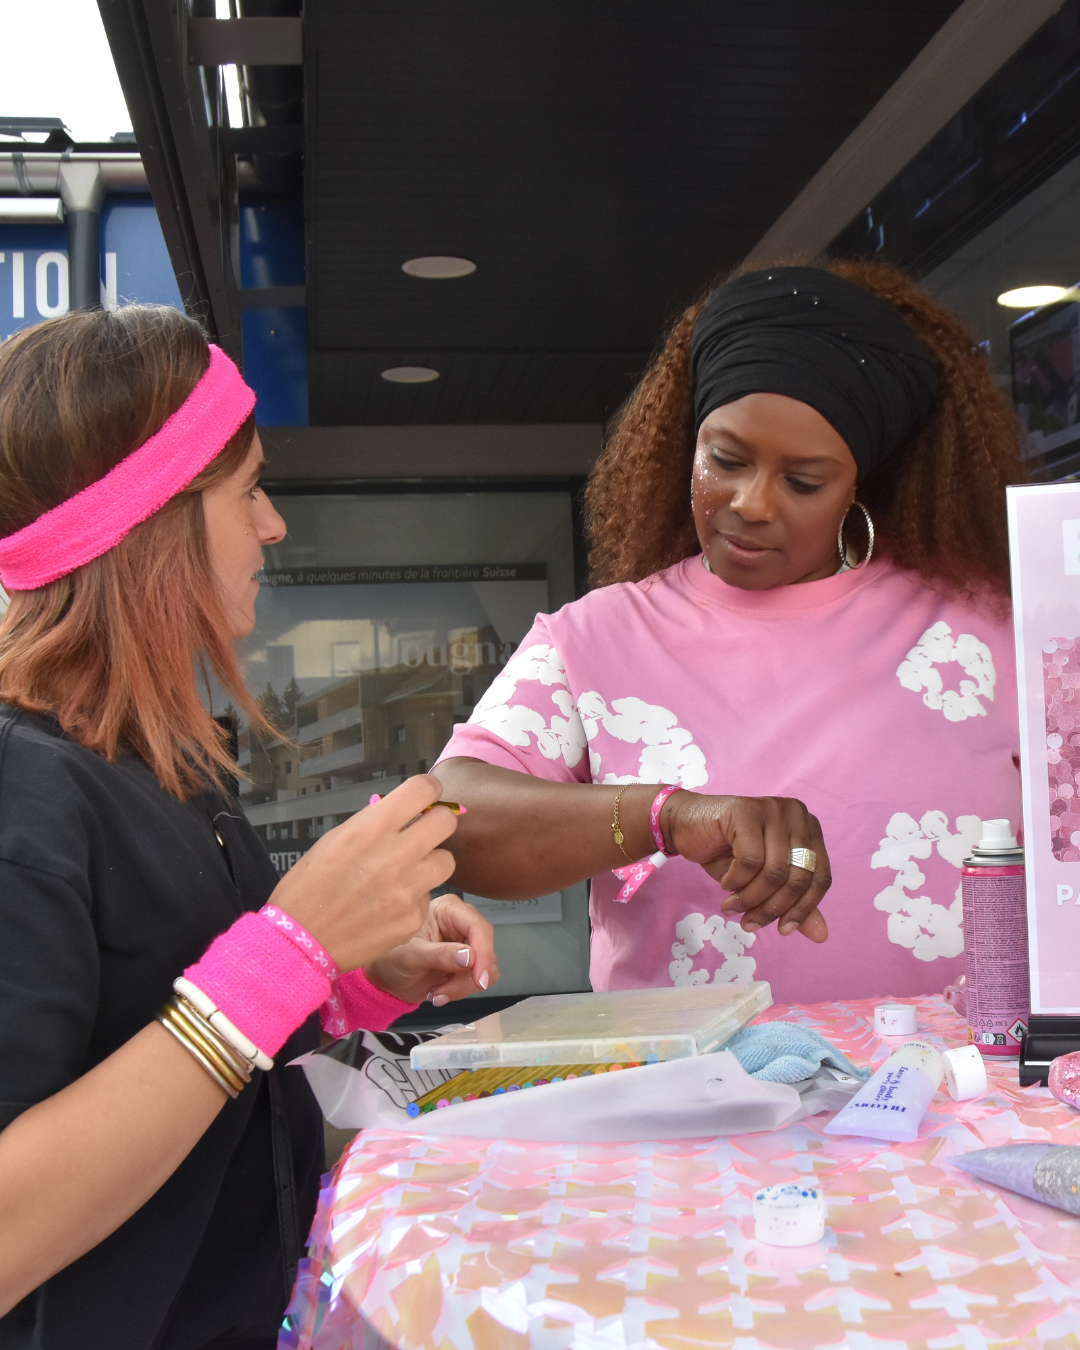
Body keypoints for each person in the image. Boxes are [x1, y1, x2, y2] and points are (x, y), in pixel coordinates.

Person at [0, 306, 497, 1349]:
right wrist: (288, 952)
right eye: (248, 491)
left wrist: (359, 968)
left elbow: (189, 1045)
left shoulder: (167, 766)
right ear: (152, 521)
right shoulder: (21, 787)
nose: (273, 524)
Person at [436, 259, 1026, 1005]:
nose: (750, 503)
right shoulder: (595, 640)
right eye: (726, 459)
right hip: (686, 1110)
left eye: (804, 481)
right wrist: (671, 817)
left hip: (956, 1109)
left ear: (860, 483)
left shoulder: (994, 638)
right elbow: (450, 815)